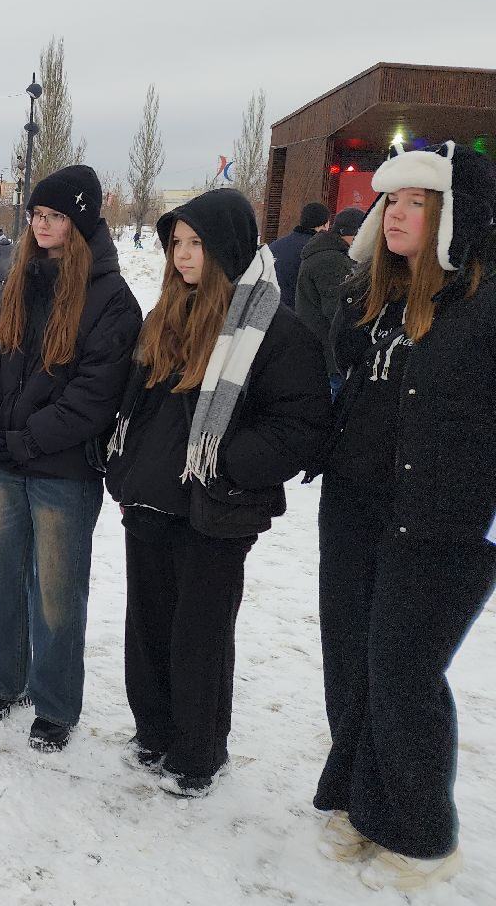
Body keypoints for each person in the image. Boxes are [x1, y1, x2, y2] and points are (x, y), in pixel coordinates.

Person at [103, 188, 329, 798]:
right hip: (150, 500)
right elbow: (137, 402)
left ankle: (197, 752)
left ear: (227, 247)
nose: (183, 255)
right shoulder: (164, 317)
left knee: (199, 637)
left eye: (196, 243)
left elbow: (299, 423)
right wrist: (124, 470)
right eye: (177, 243)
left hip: (216, 507)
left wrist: (226, 463)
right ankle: (154, 730)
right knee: (148, 626)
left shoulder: (274, 331)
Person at [312, 143, 496, 891]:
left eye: (417, 202)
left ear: (453, 215)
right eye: (391, 201)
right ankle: (361, 800)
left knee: (404, 671)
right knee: (351, 660)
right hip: (356, 507)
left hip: (444, 522)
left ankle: (421, 832)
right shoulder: (374, 294)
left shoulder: (483, 303)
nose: (395, 214)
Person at [0, 166, 142, 751]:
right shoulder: (17, 280)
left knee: (57, 592)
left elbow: (95, 394)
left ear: (80, 222)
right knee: (2, 580)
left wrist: (26, 439)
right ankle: (3, 680)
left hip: (64, 470)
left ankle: (56, 704)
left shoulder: (111, 298)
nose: (41, 225)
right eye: (37, 215)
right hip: (5, 464)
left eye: (56, 216)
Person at [296, 206, 365, 397]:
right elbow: (338, 312)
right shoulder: (331, 260)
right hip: (330, 355)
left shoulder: (326, 253)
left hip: (320, 350)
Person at [270, 201, 331, 309]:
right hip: (299, 313)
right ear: (325, 224)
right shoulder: (320, 251)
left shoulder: (274, 246)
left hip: (270, 310)